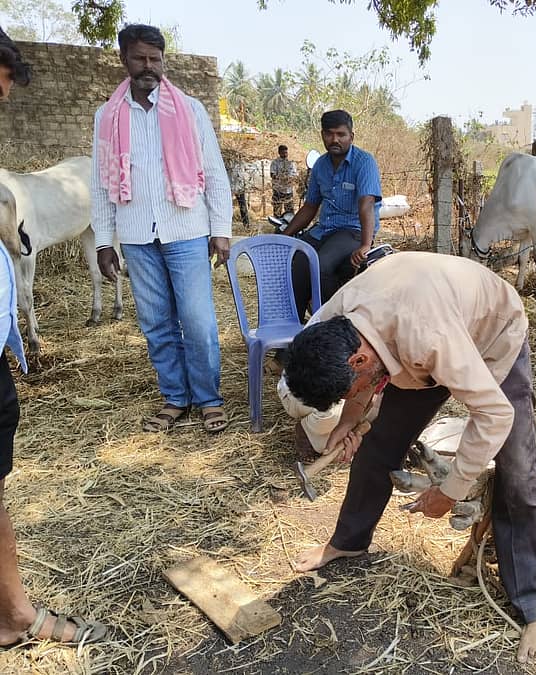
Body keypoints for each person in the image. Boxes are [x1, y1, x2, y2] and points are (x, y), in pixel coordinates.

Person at [283, 252, 536, 664]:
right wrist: (348, 421)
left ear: (359, 361)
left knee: (518, 471)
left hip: (490, 335)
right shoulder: (330, 325)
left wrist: (451, 490)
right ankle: (348, 542)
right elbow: (354, 382)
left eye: (345, 391)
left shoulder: (429, 336)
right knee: (377, 448)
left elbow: (495, 414)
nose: (347, 400)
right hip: (412, 345)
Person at [0, 34, 107, 646]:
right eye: (4, 82)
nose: (8, 96)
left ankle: (15, 616)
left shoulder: (59, 182)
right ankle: (18, 618)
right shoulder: (10, 192)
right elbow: (21, 255)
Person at [91, 24, 232, 434]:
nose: (148, 66)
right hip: (135, 235)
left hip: (186, 228)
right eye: (140, 58)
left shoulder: (189, 109)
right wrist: (104, 241)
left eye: (156, 58)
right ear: (124, 60)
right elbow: (101, 184)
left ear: (163, 61)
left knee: (199, 321)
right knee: (156, 323)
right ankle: (175, 397)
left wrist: (220, 229)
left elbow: (214, 173)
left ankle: (208, 398)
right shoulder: (107, 117)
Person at [280, 109, 381, 317]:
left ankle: (331, 326)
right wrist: (284, 237)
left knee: (321, 264)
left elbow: (366, 204)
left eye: (341, 134)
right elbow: (310, 207)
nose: (335, 139)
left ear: (351, 136)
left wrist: (365, 245)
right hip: (325, 229)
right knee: (296, 261)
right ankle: (294, 332)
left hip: (352, 230)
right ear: (322, 135)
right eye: (329, 134)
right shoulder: (320, 165)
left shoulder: (364, 162)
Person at [270, 144, 297, 217]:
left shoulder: (291, 163)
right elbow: (272, 174)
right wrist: (281, 178)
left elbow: (295, 175)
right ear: (279, 153)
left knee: (289, 210)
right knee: (277, 210)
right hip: (278, 190)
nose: (285, 155)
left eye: (286, 153)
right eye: (283, 153)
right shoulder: (275, 163)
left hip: (288, 190)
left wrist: (290, 179)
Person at [226, 158, 251, 227]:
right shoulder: (226, 163)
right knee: (228, 206)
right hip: (229, 187)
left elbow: (244, 176)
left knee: (242, 206)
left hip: (239, 188)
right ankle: (228, 224)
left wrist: (245, 186)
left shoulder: (241, 164)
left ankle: (246, 224)